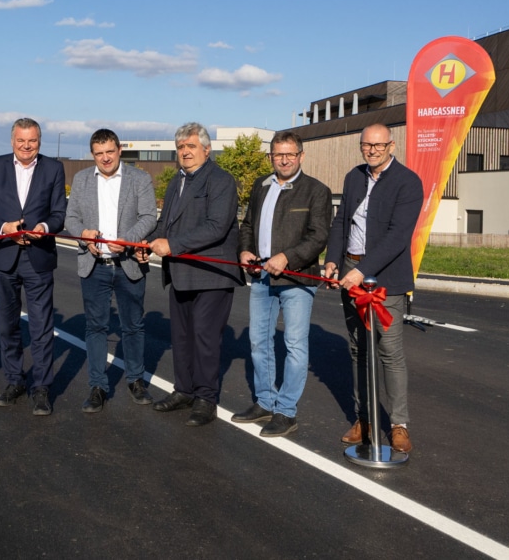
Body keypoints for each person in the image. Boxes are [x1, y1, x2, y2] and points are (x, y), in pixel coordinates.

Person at [323, 123, 423, 453]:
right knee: (358, 349)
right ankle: (363, 419)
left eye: (379, 146)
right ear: (361, 146)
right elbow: (341, 222)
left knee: (389, 351)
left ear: (391, 146)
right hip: (350, 269)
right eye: (367, 145)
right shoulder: (354, 177)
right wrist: (333, 260)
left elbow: (398, 236)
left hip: (386, 277)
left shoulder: (408, 182)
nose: (373, 150)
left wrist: (363, 270)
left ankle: (398, 425)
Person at [138, 122, 243, 426]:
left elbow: (216, 226)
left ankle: (206, 398)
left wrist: (171, 244)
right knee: (181, 337)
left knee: (205, 338)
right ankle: (184, 390)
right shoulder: (176, 183)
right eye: (181, 147)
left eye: (191, 146)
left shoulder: (221, 180)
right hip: (181, 272)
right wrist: (147, 243)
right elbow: (165, 225)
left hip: (212, 272)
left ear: (207, 150)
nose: (185, 152)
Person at [233, 131, 331, 437]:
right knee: (259, 341)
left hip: (296, 279)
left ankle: (286, 411)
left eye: (290, 154)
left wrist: (287, 257)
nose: (284, 160)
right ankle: (264, 401)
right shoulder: (262, 186)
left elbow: (318, 236)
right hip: (262, 277)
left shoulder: (317, 191)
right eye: (278, 154)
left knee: (294, 346)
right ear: (271, 157)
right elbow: (247, 224)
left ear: (301, 156)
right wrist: (245, 250)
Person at [0, 118, 66, 416]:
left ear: (40, 141)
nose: (27, 146)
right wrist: (3, 227)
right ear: (12, 140)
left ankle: (41, 387)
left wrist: (42, 226)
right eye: (21, 141)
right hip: (4, 256)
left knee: (41, 327)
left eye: (33, 141)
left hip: (38, 257)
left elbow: (59, 212)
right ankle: (14, 380)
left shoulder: (53, 168)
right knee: (7, 325)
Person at [64, 128, 158, 413]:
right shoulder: (81, 180)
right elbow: (71, 217)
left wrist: (126, 240)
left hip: (128, 264)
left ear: (119, 151)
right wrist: (84, 234)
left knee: (133, 326)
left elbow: (148, 216)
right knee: (96, 327)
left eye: (109, 152)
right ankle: (97, 386)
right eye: (99, 153)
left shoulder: (139, 179)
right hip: (95, 266)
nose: (105, 158)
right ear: (93, 154)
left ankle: (135, 380)